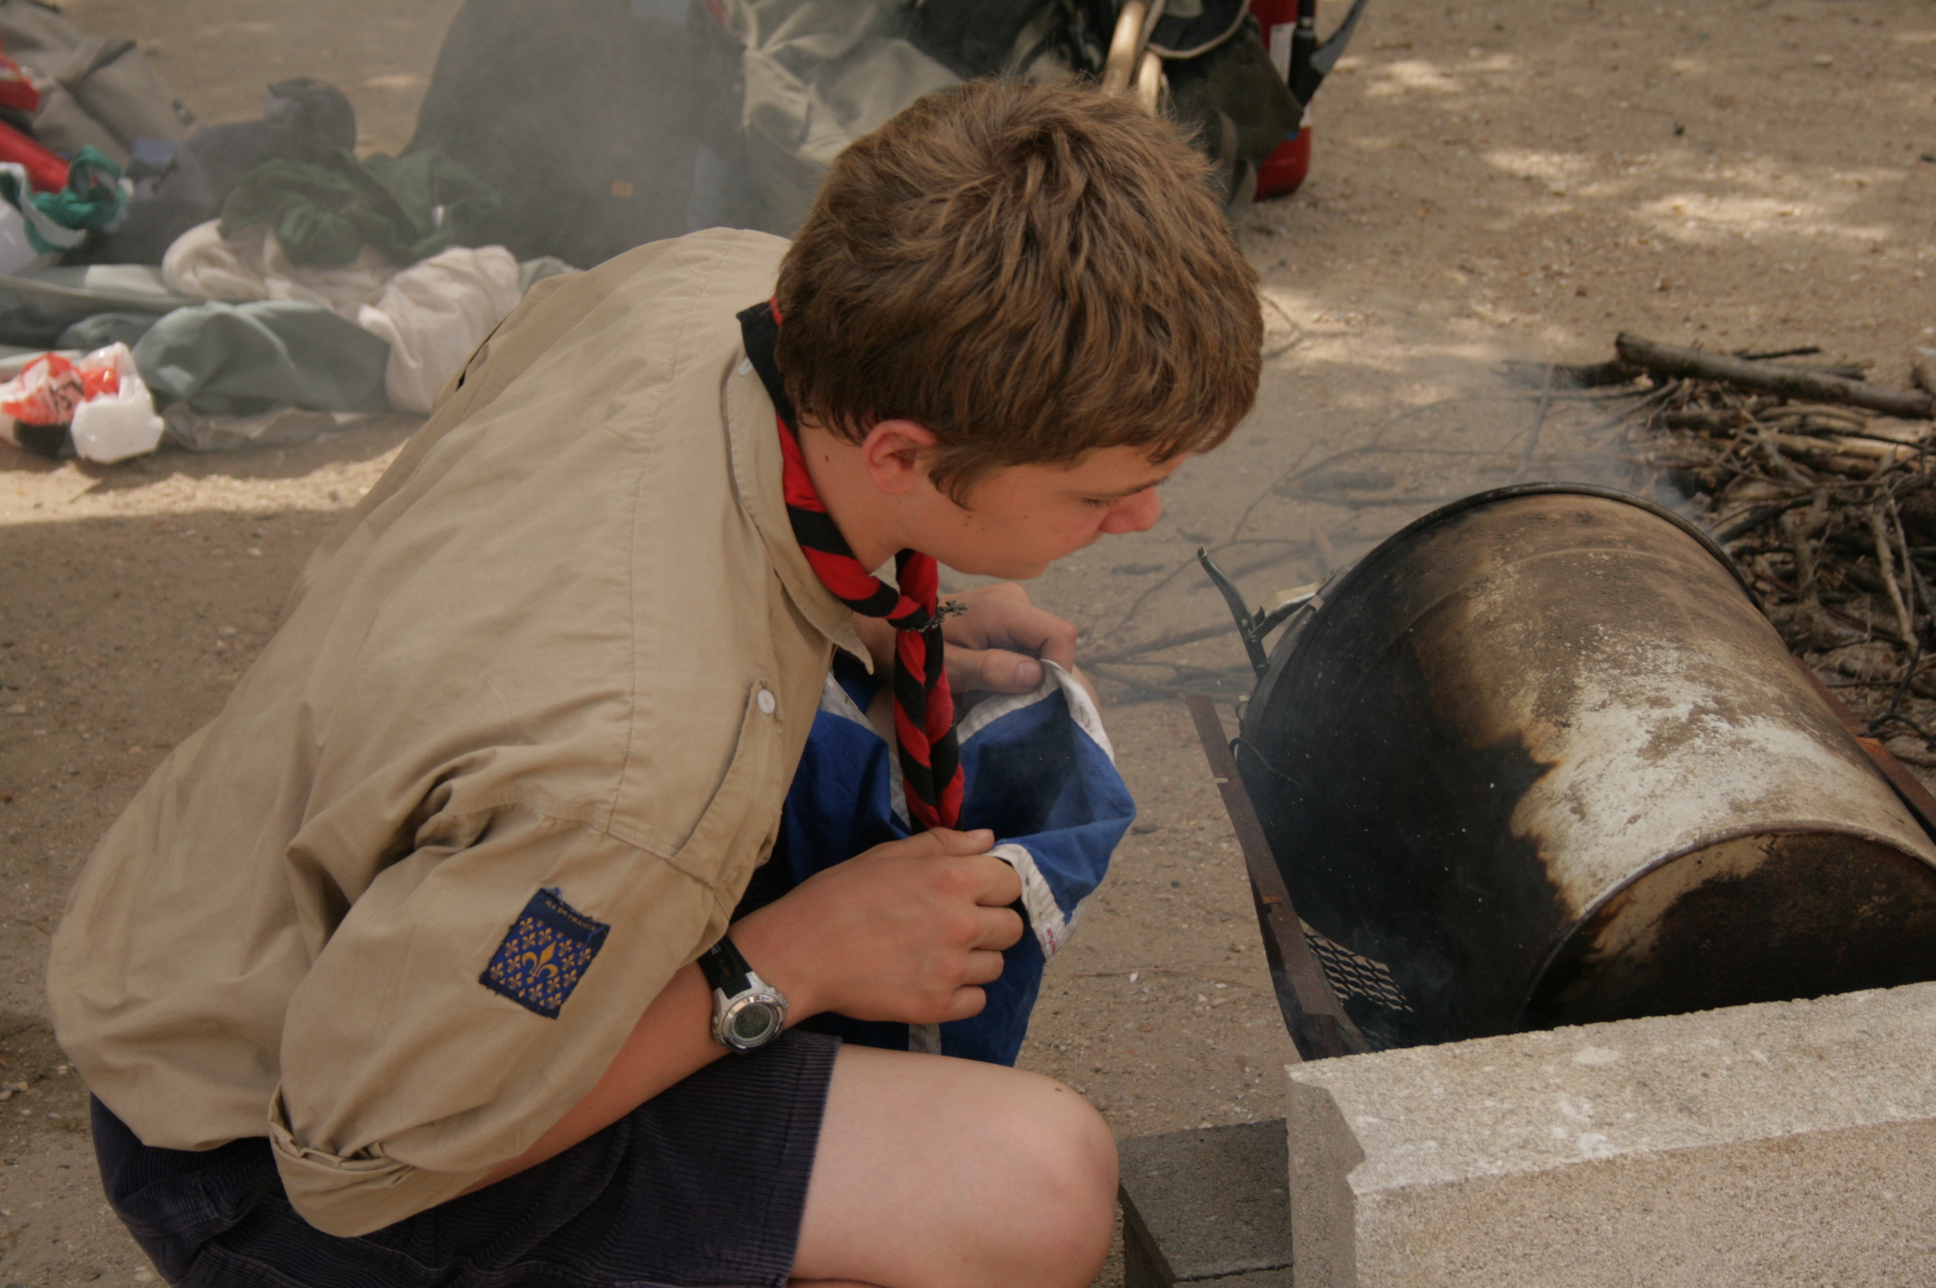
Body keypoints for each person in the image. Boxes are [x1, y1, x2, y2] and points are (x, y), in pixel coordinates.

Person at [48, 79, 1262, 1288]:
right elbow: (367, 1156)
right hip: (266, 1150)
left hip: (227, 914)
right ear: (902, 453)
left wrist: (898, 610)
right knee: (1031, 1186)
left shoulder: (720, 283)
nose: (1143, 518)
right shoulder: (630, 781)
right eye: (1100, 494)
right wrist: (782, 966)